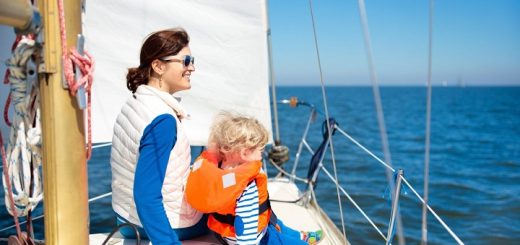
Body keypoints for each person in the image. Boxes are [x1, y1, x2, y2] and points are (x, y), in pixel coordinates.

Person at [110, 27, 208, 244]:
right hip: (163, 224)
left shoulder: (136, 102)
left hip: (124, 218)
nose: (192, 67)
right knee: (239, 191)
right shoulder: (162, 120)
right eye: (186, 61)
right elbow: (146, 197)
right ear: (158, 66)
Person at [186, 112, 323, 245]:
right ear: (245, 153)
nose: (261, 156)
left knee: (274, 222)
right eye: (260, 151)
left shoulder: (218, 171)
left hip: (223, 234)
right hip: (257, 239)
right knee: (289, 240)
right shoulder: (247, 184)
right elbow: (247, 229)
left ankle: (299, 234)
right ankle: (302, 239)